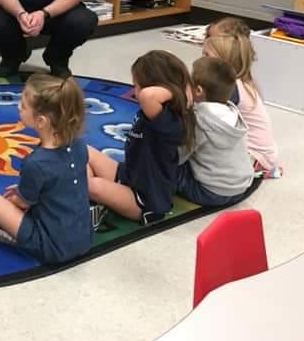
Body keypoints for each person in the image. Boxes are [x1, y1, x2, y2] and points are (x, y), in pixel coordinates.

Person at [0, 74, 92, 264]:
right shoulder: (79, 146)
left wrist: (17, 196)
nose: (18, 107)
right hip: (84, 240)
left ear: (41, 121)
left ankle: (18, 238)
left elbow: (23, 202)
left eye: (23, 106)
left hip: (52, 248)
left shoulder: (36, 163)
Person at [87, 50, 192, 224]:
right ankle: (94, 203)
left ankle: (94, 201)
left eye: (137, 86)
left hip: (146, 199)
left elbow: (147, 96)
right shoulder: (156, 112)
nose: (135, 92)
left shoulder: (168, 121)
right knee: (82, 152)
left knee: (93, 185)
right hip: (130, 175)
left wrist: (176, 91)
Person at [203, 27, 281, 176]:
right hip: (263, 153)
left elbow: (210, 122)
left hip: (255, 155)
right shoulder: (240, 82)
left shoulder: (230, 88)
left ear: (223, 62)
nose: (202, 60)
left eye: (207, 55)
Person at [178, 56, 254, 206]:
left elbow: (179, 156)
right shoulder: (232, 111)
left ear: (198, 90)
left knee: (167, 165)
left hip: (211, 193)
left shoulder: (198, 120)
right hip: (242, 186)